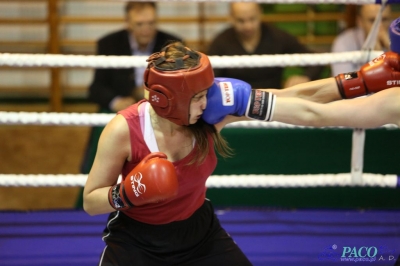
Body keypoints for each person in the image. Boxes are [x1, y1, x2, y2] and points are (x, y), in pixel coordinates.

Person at [83, 41, 253, 265]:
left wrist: (312, 98)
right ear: (169, 100)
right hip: (136, 241)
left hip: (200, 235)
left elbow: (283, 102)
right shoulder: (123, 129)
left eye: (205, 93)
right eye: (198, 96)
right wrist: (127, 193)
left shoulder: (207, 114)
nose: (206, 103)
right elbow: (90, 203)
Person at [80, 2, 182, 176]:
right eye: (139, 24)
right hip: (122, 114)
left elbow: (180, 86)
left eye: (151, 23)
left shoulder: (172, 45)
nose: (146, 29)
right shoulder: (109, 44)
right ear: (128, 23)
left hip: (160, 112)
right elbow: (95, 89)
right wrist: (116, 101)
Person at [207, 2, 324, 89]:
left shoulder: (278, 37)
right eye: (241, 21)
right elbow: (209, 77)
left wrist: (305, 77)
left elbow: (316, 61)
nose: (248, 26)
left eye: (252, 19)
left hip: (273, 104)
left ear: (260, 13)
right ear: (231, 18)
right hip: (235, 108)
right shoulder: (221, 41)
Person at [331, 4, 391, 76]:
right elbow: (344, 81)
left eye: (384, 19)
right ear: (360, 21)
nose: (379, 26)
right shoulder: (343, 42)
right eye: (372, 20)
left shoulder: (397, 38)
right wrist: (375, 60)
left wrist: (392, 49)